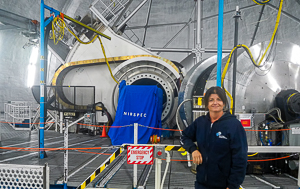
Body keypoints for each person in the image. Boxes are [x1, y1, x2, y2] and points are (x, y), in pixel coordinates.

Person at [180, 86, 248, 189]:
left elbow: (240, 158)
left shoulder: (234, 125)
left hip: (224, 185)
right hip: (201, 184)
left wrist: (233, 185)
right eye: (211, 100)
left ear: (224, 103)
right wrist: (193, 150)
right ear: (207, 104)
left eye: (219, 99)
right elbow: (184, 137)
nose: (215, 103)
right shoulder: (200, 123)